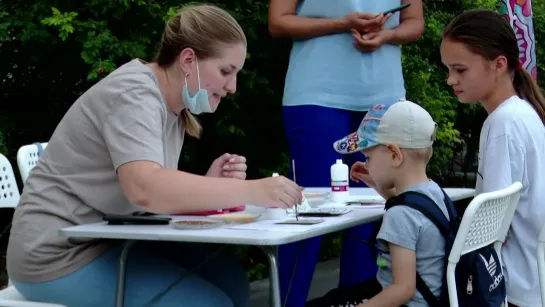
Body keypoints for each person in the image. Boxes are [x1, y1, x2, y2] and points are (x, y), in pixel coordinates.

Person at [6, 4, 302, 307]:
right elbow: (146, 189)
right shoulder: (135, 95)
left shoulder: (171, 107)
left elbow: (145, 198)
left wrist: (208, 187)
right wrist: (251, 190)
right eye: (226, 71)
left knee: (233, 282)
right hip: (54, 257)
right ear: (188, 59)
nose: (232, 86)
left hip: (106, 243)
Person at [267, 0, 424, 305]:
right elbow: (278, 21)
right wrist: (341, 24)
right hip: (316, 95)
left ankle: (358, 301)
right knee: (309, 209)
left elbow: (414, 21)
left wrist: (387, 35)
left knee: (370, 218)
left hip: (383, 98)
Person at [440, 9, 545, 307]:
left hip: (513, 287)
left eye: (460, 70)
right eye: (448, 69)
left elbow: (489, 231)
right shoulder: (524, 112)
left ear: (498, 64)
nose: (450, 80)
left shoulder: (503, 124)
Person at [306, 99, 446, 307]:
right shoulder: (434, 192)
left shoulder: (400, 215)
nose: (366, 163)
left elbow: (403, 289)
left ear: (395, 155)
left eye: (369, 157)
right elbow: (408, 205)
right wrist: (374, 181)